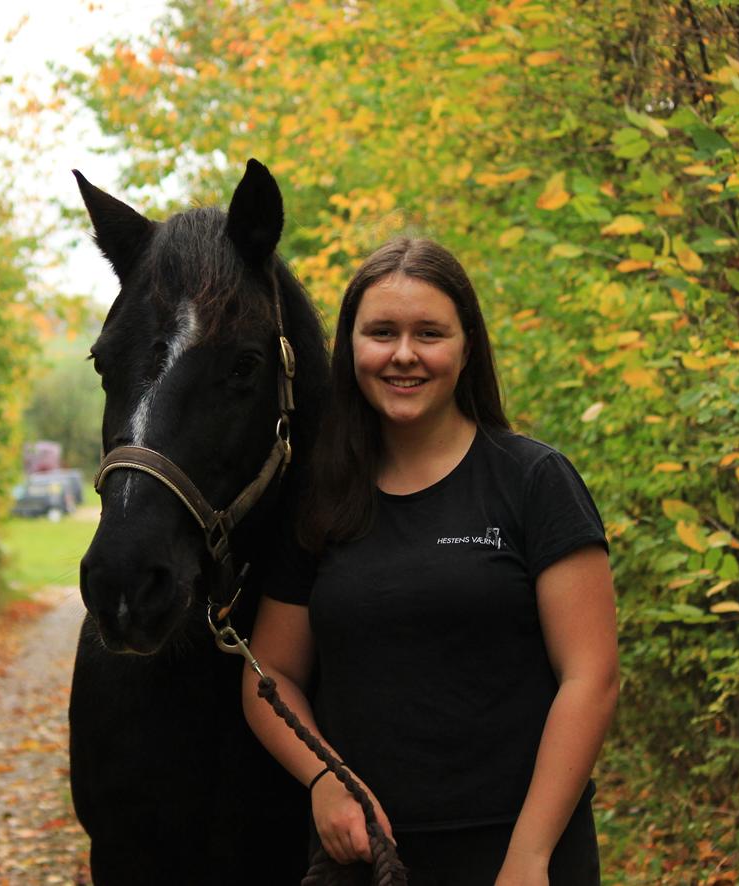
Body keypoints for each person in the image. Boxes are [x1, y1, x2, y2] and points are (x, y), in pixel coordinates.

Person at [242, 238, 619, 886]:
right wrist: (325, 779)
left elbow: (592, 677)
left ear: (467, 345)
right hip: (363, 861)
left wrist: (530, 858)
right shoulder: (320, 500)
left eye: (429, 333)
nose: (404, 354)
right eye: (381, 332)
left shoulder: (533, 482)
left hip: (516, 856)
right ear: (350, 348)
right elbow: (268, 674)